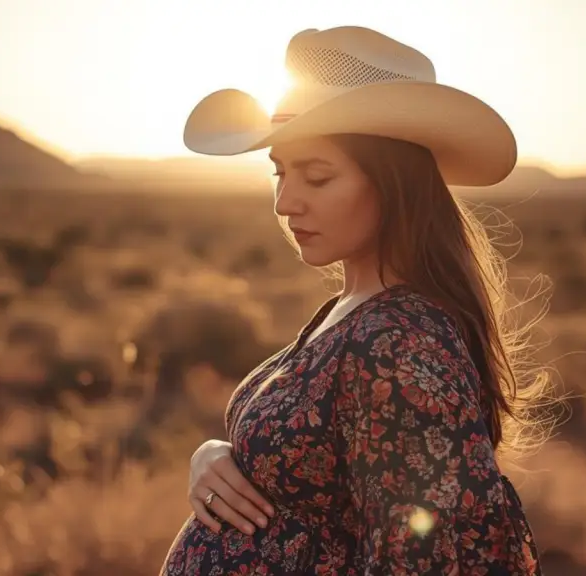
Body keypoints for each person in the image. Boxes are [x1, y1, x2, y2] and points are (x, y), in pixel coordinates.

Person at [160, 25, 549, 575]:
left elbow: (427, 561)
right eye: (280, 172)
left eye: (316, 177)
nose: (284, 202)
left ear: (394, 186)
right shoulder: (352, 309)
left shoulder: (399, 343)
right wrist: (217, 457)